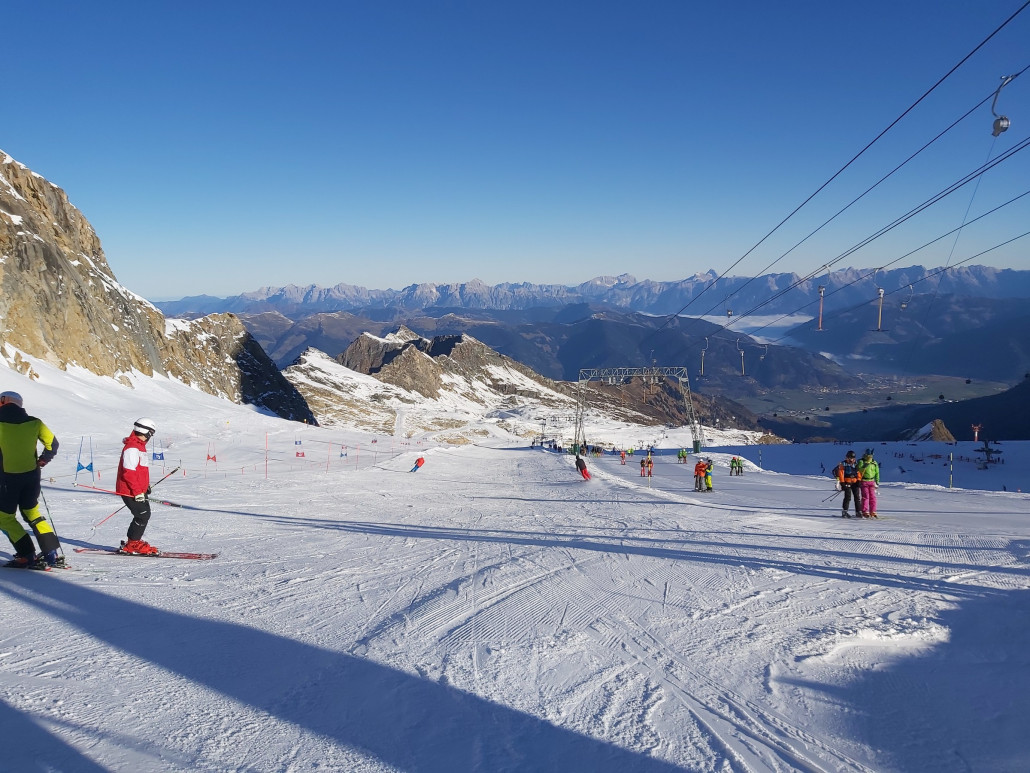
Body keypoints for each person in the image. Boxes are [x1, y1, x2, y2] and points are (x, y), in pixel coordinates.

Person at [0, 391, 63, 568]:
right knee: (32, 512)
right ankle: (52, 553)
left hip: (6, 480)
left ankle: (26, 554)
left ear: (3, 402)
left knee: (4, 518)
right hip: (31, 477)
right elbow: (53, 444)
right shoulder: (35, 422)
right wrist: (43, 460)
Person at [115, 418, 159, 554]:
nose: (151, 436)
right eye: (150, 433)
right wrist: (137, 491)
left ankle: (133, 542)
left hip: (138, 490)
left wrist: (145, 487)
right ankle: (132, 544)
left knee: (144, 514)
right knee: (142, 515)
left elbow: (140, 471)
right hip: (130, 491)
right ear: (144, 431)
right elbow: (129, 473)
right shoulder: (132, 447)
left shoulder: (140, 447)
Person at [833, 450, 863, 518]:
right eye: (849, 458)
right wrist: (842, 483)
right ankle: (845, 511)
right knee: (847, 497)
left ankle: (858, 511)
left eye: (852, 458)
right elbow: (841, 474)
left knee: (857, 497)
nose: (850, 459)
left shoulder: (856, 464)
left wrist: (859, 480)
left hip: (855, 482)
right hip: (847, 482)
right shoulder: (843, 464)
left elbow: (858, 473)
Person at [857, 449, 880, 517]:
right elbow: (859, 470)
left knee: (872, 497)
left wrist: (877, 480)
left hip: (871, 481)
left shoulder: (874, 463)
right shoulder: (861, 461)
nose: (870, 457)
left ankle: (873, 511)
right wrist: (864, 467)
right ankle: (865, 510)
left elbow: (877, 472)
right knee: (866, 496)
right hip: (864, 481)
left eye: (871, 455)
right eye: (868, 455)